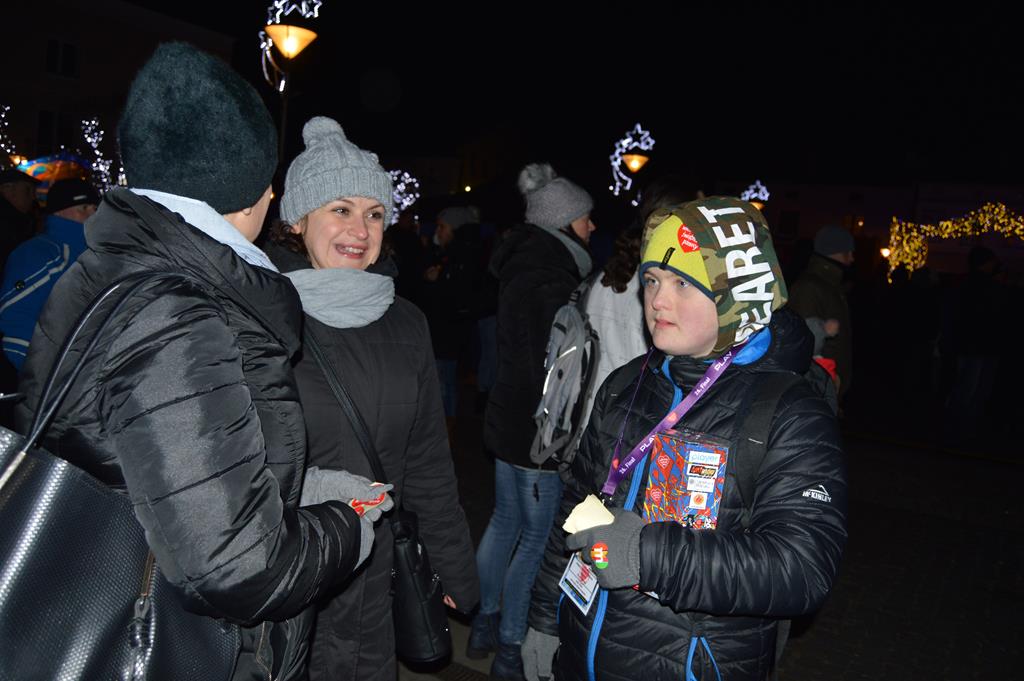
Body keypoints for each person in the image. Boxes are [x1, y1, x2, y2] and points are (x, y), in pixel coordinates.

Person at [14, 43, 381, 681]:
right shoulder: (176, 312)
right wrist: (346, 527)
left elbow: (151, 469)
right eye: (268, 179)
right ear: (245, 193)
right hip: (169, 647)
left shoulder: (116, 267)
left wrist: (294, 493)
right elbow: (237, 568)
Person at [523, 197, 847, 681]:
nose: (657, 300)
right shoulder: (626, 384)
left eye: (683, 283)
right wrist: (547, 618)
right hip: (584, 654)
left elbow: (802, 568)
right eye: (652, 279)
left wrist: (647, 555)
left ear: (737, 295)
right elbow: (577, 507)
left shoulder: (790, 412)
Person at [268, 116, 479, 681]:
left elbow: (427, 459)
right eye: (341, 209)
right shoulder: (259, 313)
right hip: (281, 584)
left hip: (372, 587)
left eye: (375, 213)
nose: (360, 229)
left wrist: (453, 564)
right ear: (298, 219)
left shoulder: (406, 322)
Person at [470, 162, 596, 680]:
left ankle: (484, 622)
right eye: (585, 217)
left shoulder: (525, 263)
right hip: (537, 433)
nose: (592, 226)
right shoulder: (551, 276)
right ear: (563, 222)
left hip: (508, 420)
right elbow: (550, 371)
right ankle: (509, 647)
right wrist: (555, 433)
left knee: (504, 523)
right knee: (534, 541)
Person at [1, 177, 99, 369]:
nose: (92, 215)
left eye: (95, 209)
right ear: (59, 211)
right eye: (83, 208)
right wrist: (42, 371)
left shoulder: (96, 254)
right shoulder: (40, 253)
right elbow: (13, 316)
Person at [788, 224, 854, 398]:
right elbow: (806, 342)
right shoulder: (810, 287)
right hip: (818, 388)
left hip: (828, 385)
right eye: (848, 252)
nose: (852, 258)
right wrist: (822, 383)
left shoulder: (831, 285)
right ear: (835, 250)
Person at [0, 166, 39, 270]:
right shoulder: (8, 225)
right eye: (28, 190)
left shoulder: (20, 221)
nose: (33, 197)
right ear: (7, 189)